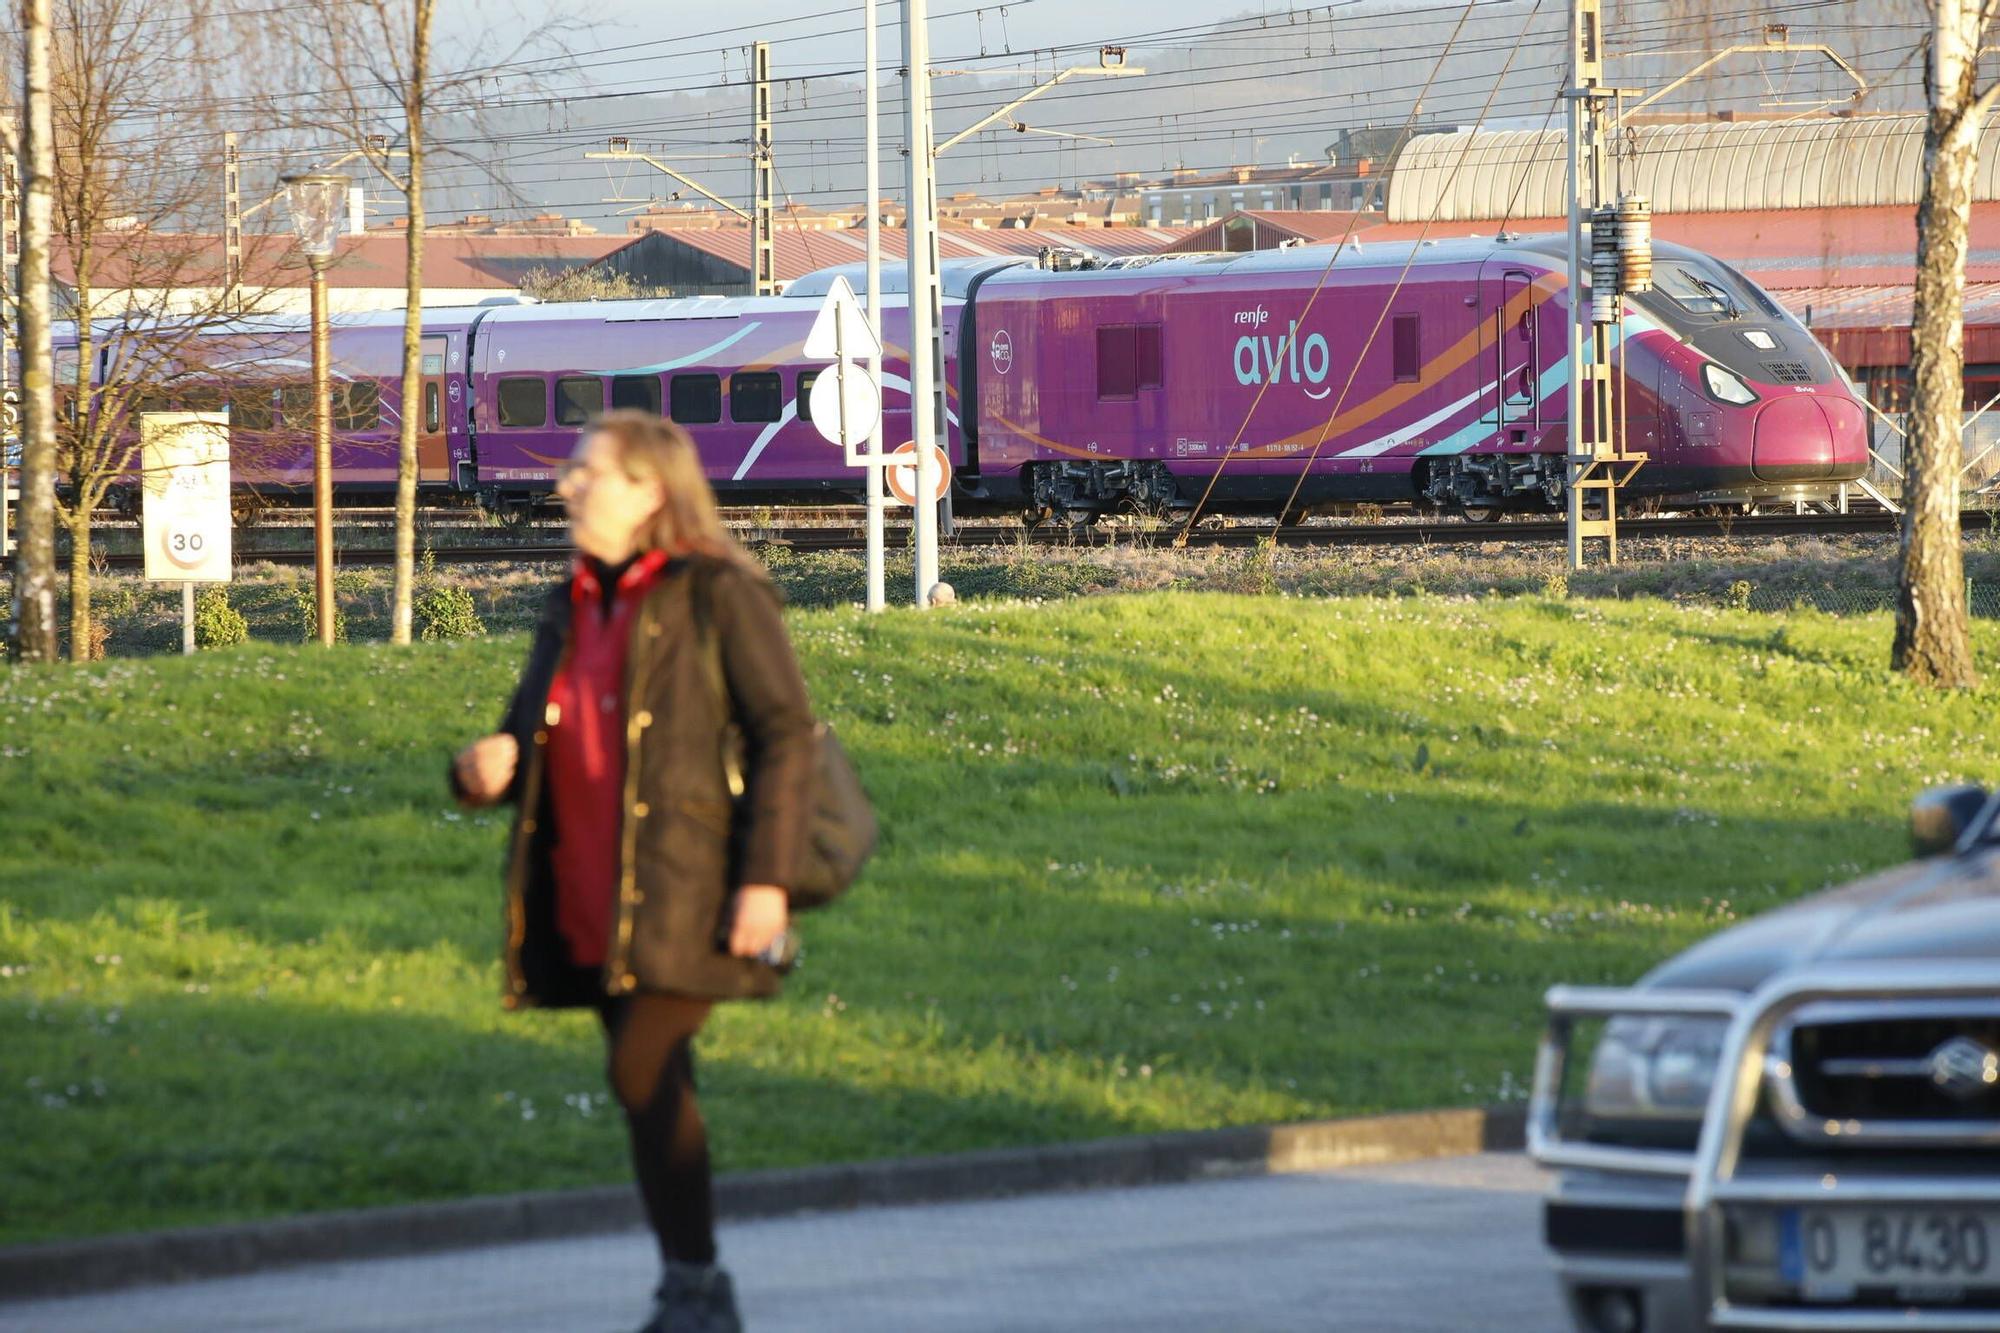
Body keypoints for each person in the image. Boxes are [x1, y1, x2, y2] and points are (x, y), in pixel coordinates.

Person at [453, 410, 817, 1333]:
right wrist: (483, 766)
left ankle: (696, 1285)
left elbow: (783, 735)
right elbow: (523, 730)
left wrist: (767, 882)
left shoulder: (718, 591)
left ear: (650, 490)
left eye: (590, 471)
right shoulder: (571, 598)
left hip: (693, 883)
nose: (568, 485)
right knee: (653, 1086)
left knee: (639, 1067)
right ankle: (692, 1287)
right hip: (593, 887)